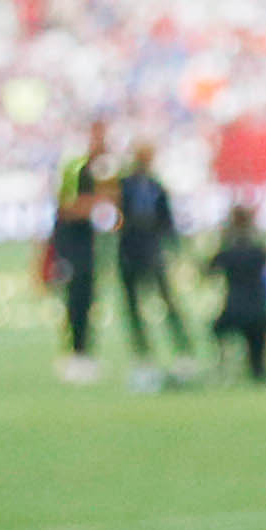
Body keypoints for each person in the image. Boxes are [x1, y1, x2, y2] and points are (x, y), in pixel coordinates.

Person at [113, 140, 186, 388]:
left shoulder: (156, 187)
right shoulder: (123, 186)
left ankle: (182, 350)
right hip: (130, 252)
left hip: (152, 252)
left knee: (167, 301)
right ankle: (142, 354)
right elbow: (116, 219)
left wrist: (173, 248)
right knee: (134, 307)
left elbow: (167, 221)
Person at [44, 122, 111, 384]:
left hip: (89, 244)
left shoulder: (102, 171)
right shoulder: (76, 167)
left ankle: (84, 353)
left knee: (88, 299)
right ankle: (74, 355)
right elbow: (66, 207)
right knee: (75, 299)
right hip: (70, 244)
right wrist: (96, 206)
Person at [206, 192, 266, 384]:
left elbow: (209, 269)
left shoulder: (227, 251)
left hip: (233, 310)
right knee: (258, 343)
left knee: (217, 329)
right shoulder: (258, 251)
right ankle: (259, 369)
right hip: (258, 311)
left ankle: (224, 364)